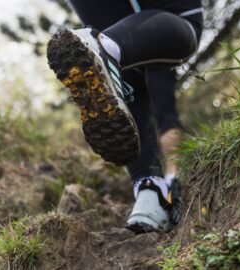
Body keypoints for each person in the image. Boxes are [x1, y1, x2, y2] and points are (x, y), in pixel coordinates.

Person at [47, 0, 203, 233]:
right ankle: (169, 179)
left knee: (119, 62)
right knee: (182, 23)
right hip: (163, 23)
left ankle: (150, 188)